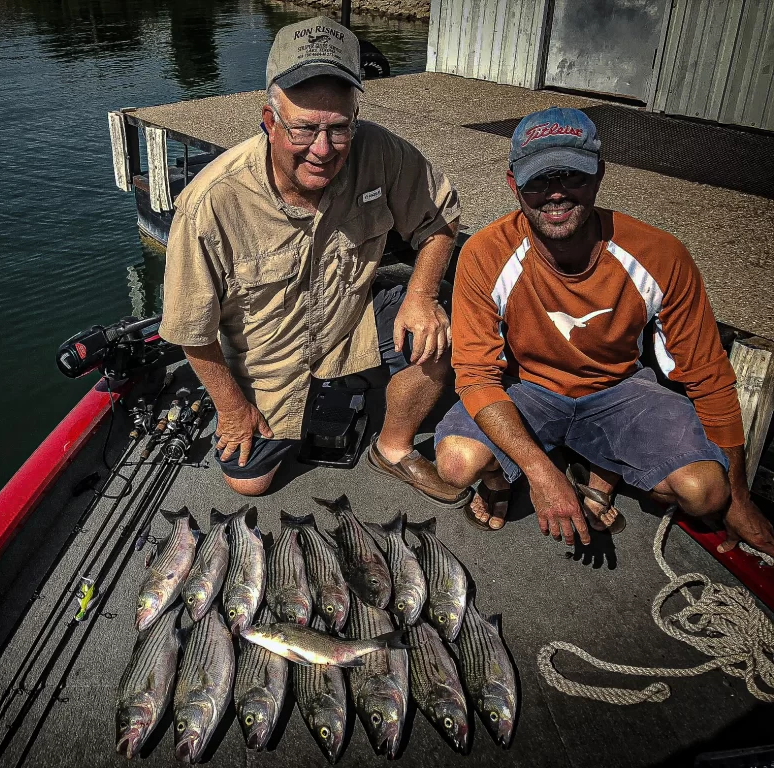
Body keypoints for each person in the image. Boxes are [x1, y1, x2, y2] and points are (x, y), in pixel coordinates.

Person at [433, 106, 774, 557]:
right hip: (530, 388)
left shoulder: (661, 253)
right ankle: (550, 468)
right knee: (457, 463)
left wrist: (741, 496)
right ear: (514, 183)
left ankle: (597, 467)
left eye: (572, 177)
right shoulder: (484, 253)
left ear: (598, 175)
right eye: (539, 180)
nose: (556, 195)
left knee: (707, 494)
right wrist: (540, 473)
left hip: (620, 388)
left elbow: (708, 375)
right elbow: (476, 375)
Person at [159, 16, 469, 502]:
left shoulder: (379, 150)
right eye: (304, 129)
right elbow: (189, 332)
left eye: (339, 129)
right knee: (249, 484)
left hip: (351, 324)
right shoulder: (210, 202)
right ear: (269, 120)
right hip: (268, 358)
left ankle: (392, 448)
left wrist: (422, 296)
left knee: (436, 335)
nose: (323, 150)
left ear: (355, 119)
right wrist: (233, 408)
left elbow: (440, 218)